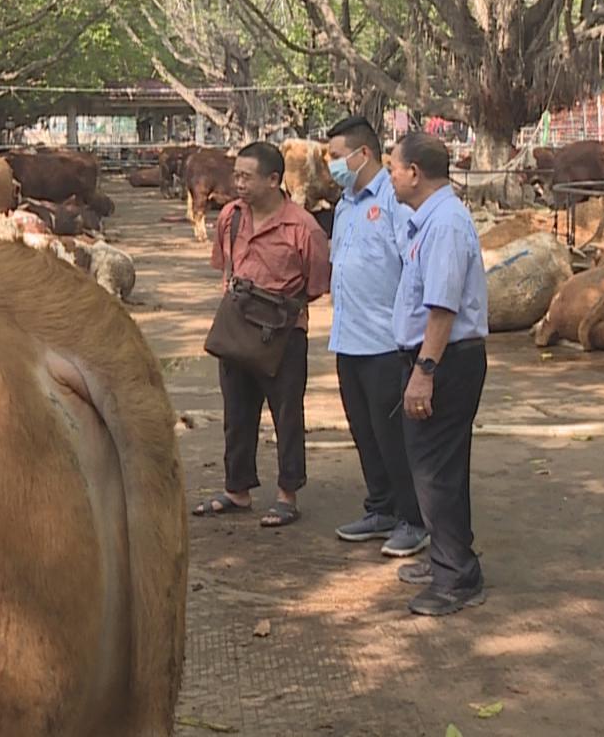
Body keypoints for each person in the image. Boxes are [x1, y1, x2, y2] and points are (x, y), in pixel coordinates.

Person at [192, 141, 331, 529]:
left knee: (286, 414)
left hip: (283, 335)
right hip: (236, 328)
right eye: (236, 175)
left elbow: (317, 284)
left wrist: (276, 306)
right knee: (236, 412)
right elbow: (223, 265)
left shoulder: (303, 227)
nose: (238, 184)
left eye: (247, 177)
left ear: (274, 180)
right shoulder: (231, 218)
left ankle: (288, 494)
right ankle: (237, 489)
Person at [387, 132, 489, 616]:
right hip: (438, 358)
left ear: (414, 172)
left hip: (445, 360)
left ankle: (456, 578)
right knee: (438, 467)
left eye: (392, 168)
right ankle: (450, 556)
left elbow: (443, 307)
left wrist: (425, 370)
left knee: (435, 472)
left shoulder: (445, 224)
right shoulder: (427, 221)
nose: (390, 177)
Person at [323, 116, 428, 559]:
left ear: (361, 154)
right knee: (364, 432)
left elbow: (414, 269)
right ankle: (381, 507)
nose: (329, 164)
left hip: (386, 344)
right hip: (348, 340)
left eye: (333, 155)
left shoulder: (394, 202)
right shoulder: (345, 204)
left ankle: (413, 518)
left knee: (395, 438)